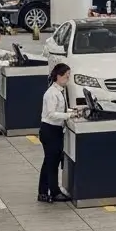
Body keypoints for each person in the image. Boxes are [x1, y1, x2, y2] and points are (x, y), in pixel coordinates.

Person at [38, 63, 79, 202]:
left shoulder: (60, 91)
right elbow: (51, 114)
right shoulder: (51, 93)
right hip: (49, 130)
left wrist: (72, 112)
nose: (68, 79)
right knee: (51, 163)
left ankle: (44, 191)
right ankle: (53, 192)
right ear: (58, 76)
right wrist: (68, 116)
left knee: (50, 162)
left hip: (55, 130)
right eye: (66, 76)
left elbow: (59, 110)